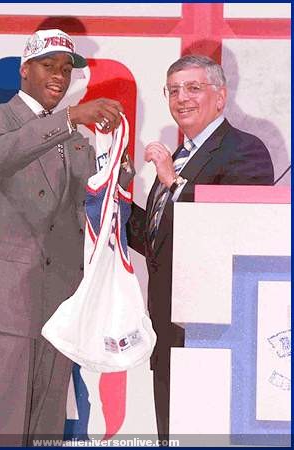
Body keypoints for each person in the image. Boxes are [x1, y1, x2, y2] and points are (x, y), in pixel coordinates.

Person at [0, 28, 132, 446]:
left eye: (66, 69)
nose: (59, 75)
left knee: (47, 431)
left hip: (60, 305)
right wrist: (70, 118)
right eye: (48, 65)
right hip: (5, 301)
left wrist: (118, 169)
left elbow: (93, 210)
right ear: (25, 70)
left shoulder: (77, 142)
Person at [127, 54, 274, 443]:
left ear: (221, 97)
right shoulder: (179, 159)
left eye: (193, 88)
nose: (181, 99)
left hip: (215, 336)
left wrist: (173, 182)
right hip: (167, 330)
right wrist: (116, 202)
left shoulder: (245, 150)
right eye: (173, 90)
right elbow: (159, 244)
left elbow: (234, 231)